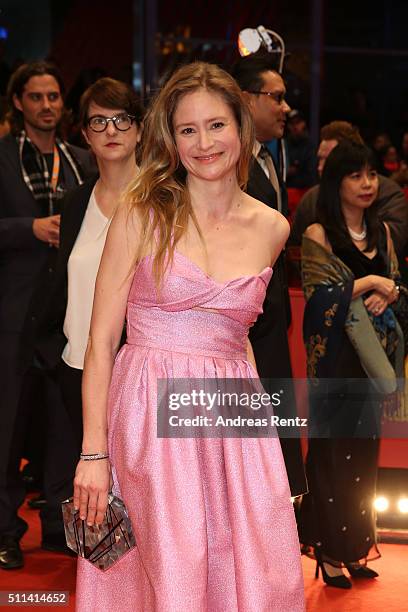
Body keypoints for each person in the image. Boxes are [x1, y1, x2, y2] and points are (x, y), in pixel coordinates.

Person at [73, 61, 305, 611]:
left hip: (232, 419)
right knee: (165, 569)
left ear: (242, 129)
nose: (205, 143)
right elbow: (101, 340)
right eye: (188, 130)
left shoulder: (273, 228)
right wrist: (93, 453)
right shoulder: (141, 211)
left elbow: (239, 337)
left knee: (246, 566)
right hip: (148, 417)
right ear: (171, 140)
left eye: (217, 125)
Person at [0, 61, 94, 569]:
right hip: (12, 315)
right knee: (7, 429)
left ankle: (61, 528)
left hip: (68, 316)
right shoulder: (1, 157)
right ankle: (5, 530)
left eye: (54, 96)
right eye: (36, 97)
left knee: (66, 429)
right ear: (18, 103)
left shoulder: (81, 161)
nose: (46, 106)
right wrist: (29, 229)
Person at [299, 142, 406, 588]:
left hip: (373, 363)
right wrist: (368, 283)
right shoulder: (319, 234)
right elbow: (317, 301)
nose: (367, 184)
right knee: (331, 459)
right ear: (335, 182)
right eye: (355, 176)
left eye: (371, 175)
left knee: (363, 460)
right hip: (336, 365)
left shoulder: (381, 232)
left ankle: (357, 549)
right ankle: (327, 553)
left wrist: (391, 291)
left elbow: (399, 284)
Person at [35, 77, 143, 450]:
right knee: (79, 492)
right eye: (99, 121)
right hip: (74, 366)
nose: (111, 130)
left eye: (122, 119)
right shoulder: (76, 202)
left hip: (135, 374)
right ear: (85, 133)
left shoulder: (160, 203)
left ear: (140, 130)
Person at [231, 52, 307, 498]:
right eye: (275, 98)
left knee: (277, 441)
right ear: (245, 99)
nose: (284, 108)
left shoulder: (268, 159)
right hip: (242, 329)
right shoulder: (230, 164)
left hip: (271, 321)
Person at [290, 121, 408, 257]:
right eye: (320, 159)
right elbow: (295, 250)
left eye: (329, 160)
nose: (321, 167)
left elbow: (393, 247)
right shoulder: (312, 198)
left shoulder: (388, 194)